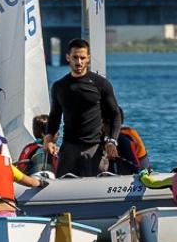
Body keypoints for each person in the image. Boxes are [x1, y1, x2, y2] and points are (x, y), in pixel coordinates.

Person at [46, 38, 122, 177]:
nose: (79, 62)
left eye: (82, 58)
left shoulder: (101, 84)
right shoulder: (59, 86)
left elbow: (115, 114)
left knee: (97, 191)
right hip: (69, 148)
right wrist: (49, 139)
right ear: (68, 57)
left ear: (88, 58)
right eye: (75, 57)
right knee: (64, 190)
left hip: (95, 148)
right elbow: (55, 116)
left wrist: (112, 140)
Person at [110, 107, 152, 176]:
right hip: (145, 172)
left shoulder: (122, 139)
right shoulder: (130, 133)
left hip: (136, 178)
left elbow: (135, 169)